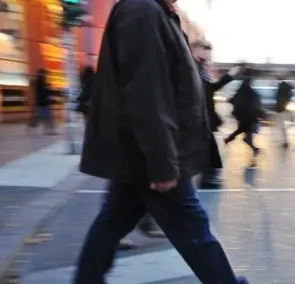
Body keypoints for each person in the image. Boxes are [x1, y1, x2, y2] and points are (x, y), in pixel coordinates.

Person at [74, 0, 248, 283]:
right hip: (152, 153)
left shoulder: (154, 11)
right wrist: (162, 163)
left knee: (112, 223)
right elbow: (147, 92)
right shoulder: (143, 11)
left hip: (144, 152)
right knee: (192, 228)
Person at [191, 40, 239, 189]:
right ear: (196, 49)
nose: (209, 54)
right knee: (205, 149)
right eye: (207, 50)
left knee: (209, 149)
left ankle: (209, 176)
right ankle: (207, 177)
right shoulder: (191, 67)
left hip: (204, 117)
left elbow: (210, 88)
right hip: (197, 116)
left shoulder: (200, 69)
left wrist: (229, 76)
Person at [224, 66, 264, 158]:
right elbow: (241, 96)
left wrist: (231, 100)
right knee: (244, 133)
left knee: (243, 131)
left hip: (246, 115)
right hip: (248, 115)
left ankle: (228, 140)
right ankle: (254, 149)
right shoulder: (247, 85)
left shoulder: (245, 84)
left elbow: (239, 96)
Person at [27, 68, 57, 135]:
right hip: (40, 103)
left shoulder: (43, 82)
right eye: (44, 74)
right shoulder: (38, 82)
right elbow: (34, 84)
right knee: (39, 117)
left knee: (48, 117)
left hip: (44, 103)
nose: (45, 75)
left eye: (45, 74)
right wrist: (48, 88)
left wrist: (49, 88)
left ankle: (50, 130)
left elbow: (47, 92)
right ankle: (31, 128)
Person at [274, 68, 294, 148]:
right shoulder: (287, 86)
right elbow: (290, 96)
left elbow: (278, 98)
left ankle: (285, 141)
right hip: (284, 107)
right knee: (282, 125)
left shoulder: (281, 86)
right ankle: (285, 140)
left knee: (281, 126)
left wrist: (279, 107)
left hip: (281, 108)